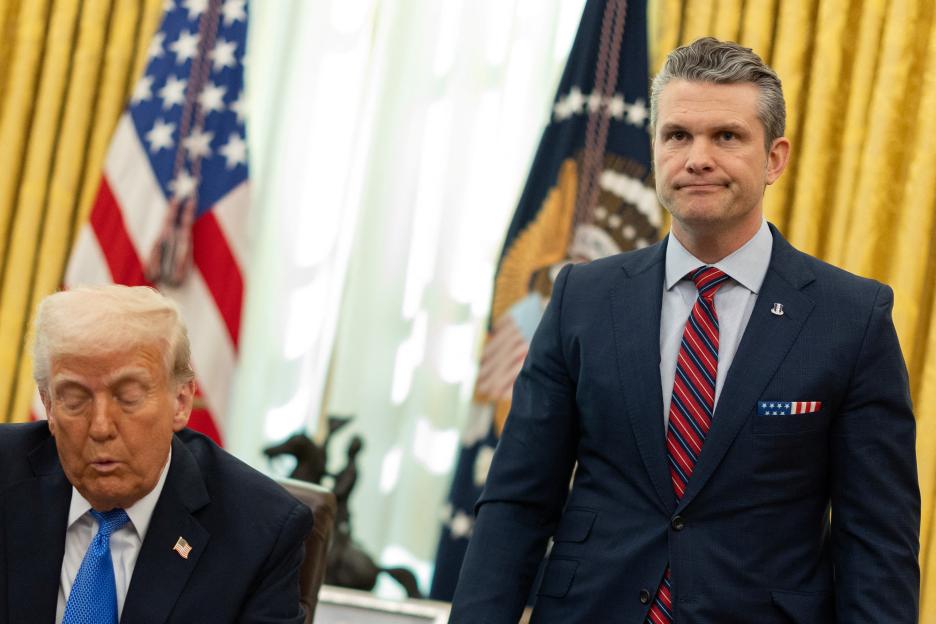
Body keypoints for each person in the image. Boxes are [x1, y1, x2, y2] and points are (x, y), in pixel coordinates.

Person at [450, 37, 919, 623]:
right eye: (677, 135)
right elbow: (517, 503)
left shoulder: (852, 318)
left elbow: (877, 542)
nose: (697, 158)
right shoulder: (580, 298)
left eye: (726, 136)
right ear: (654, 150)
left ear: (775, 158)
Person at [0, 285, 313, 623]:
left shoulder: (259, 533)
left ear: (181, 402)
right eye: (75, 399)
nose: (101, 427)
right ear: (48, 405)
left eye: (129, 397)